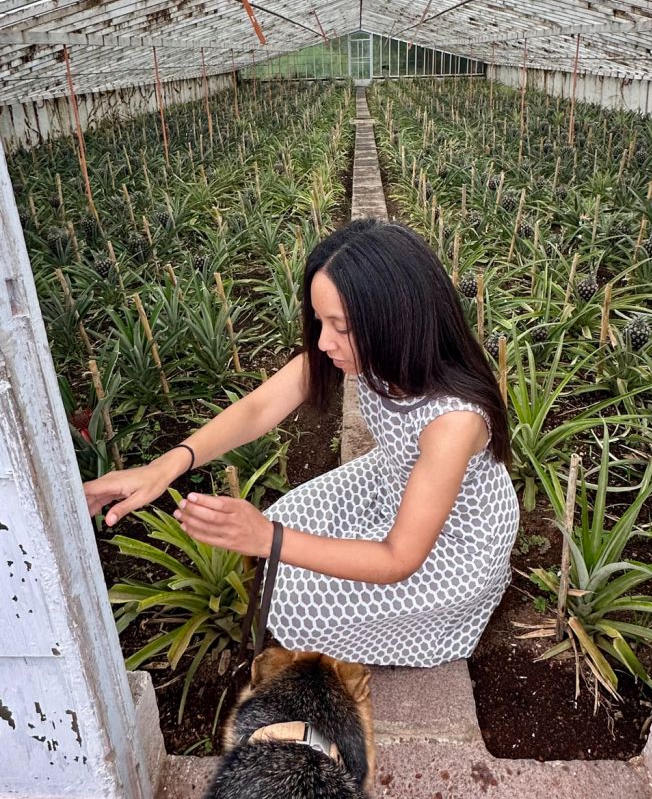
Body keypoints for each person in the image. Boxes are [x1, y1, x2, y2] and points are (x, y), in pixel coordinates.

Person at [84, 219, 520, 667]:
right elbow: (258, 409)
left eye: (340, 326)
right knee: (283, 531)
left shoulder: (454, 421)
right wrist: (168, 465)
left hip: (451, 544)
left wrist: (266, 537)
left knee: (295, 600)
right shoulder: (373, 355)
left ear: (397, 320)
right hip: (392, 481)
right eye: (318, 320)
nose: (324, 342)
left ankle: (440, 625)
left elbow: (398, 557)